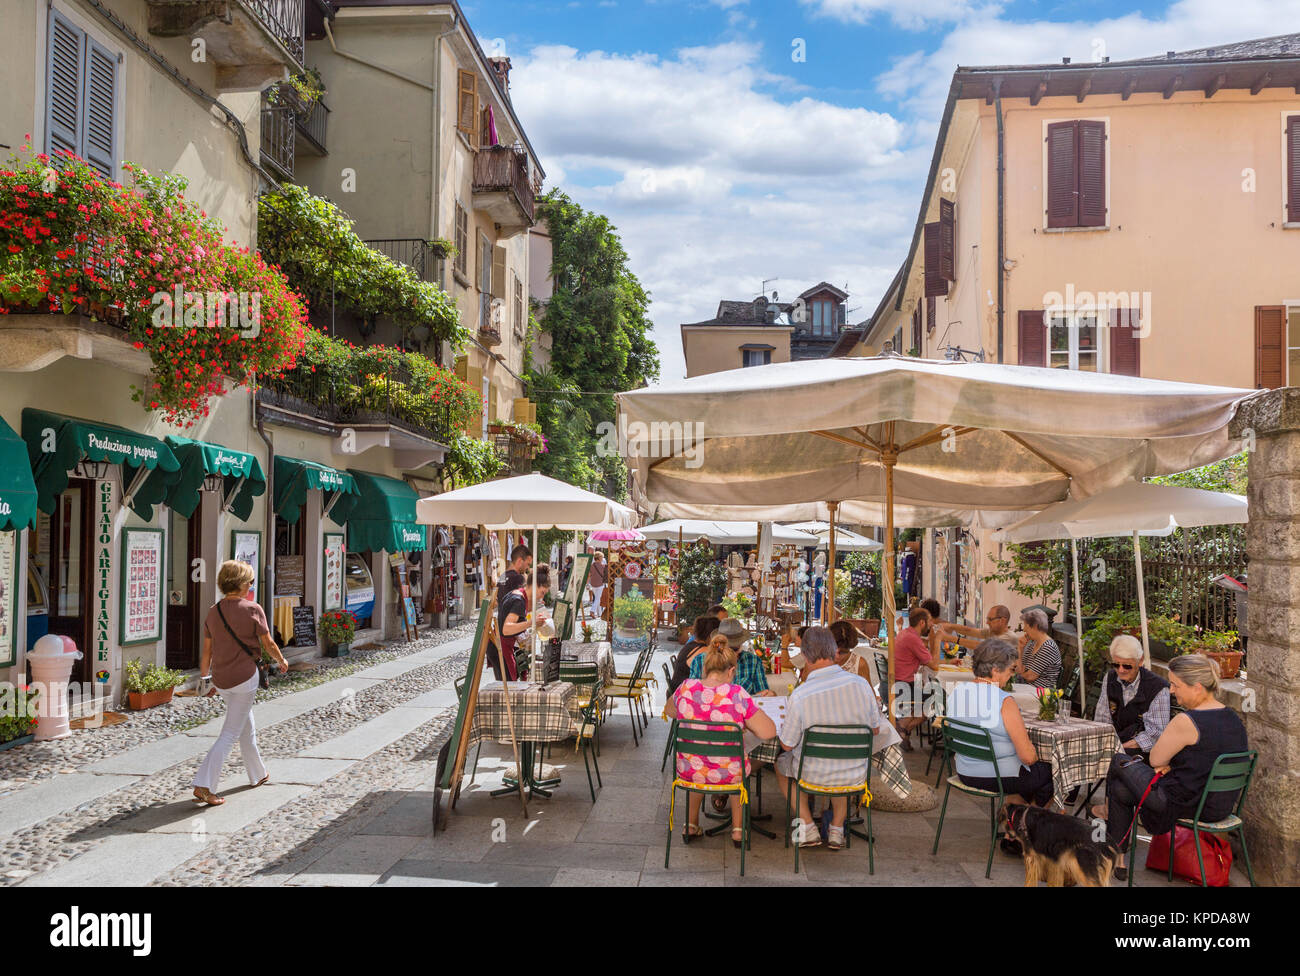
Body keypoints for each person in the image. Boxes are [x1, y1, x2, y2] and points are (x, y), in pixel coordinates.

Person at [1100, 654, 1248, 881]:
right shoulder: (1233, 718)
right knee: (1121, 789)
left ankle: (1111, 847)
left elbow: (1156, 759)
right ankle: (1116, 857)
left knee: (1117, 760)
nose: (1171, 691)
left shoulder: (1187, 721)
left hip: (1183, 803)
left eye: (1175, 685)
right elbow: (1203, 760)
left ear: (1197, 688)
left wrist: (1166, 765)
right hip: (1219, 804)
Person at [772, 627, 889, 851]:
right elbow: (875, 729)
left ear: (805, 656)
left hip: (811, 773)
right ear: (835, 651)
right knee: (841, 764)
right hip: (854, 772)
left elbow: (787, 744)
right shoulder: (862, 686)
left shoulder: (801, 694)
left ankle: (807, 825)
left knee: (781, 765)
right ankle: (836, 828)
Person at [192, 560, 289, 806]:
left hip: (222, 679)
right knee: (230, 733)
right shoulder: (252, 609)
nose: (251, 585)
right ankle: (204, 784)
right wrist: (281, 659)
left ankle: (257, 773)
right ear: (241, 583)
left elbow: (207, 651)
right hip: (245, 678)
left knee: (245, 725)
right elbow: (268, 643)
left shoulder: (214, 611)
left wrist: (205, 679)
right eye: (250, 581)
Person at [666, 636, 777, 847]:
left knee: (702, 758)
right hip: (729, 773)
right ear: (731, 671)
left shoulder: (686, 688)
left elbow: (669, 711)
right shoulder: (737, 694)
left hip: (688, 770)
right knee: (737, 760)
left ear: (705, 668)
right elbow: (768, 731)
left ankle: (690, 824)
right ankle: (737, 830)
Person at [947, 638, 1055, 853]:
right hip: (995, 776)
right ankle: (1020, 830)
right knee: (1055, 773)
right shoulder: (1004, 701)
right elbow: (1027, 757)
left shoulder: (956, 692)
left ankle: (1012, 821)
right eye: (1010, 669)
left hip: (965, 770)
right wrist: (1035, 751)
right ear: (995, 670)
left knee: (1029, 778)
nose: (1012, 674)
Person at [1093, 634, 1171, 760]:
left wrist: (1120, 748)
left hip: (1141, 752)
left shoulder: (1158, 687)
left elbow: (1155, 733)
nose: (1121, 670)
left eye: (1127, 666)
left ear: (1140, 661)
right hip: (1116, 743)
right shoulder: (1111, 677)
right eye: (1116, 665)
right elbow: (1102, 719)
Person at [688, 618, 774, 696]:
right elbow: (693, 694)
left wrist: (766, 695)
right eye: (728, 648)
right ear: (719, 644)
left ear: (741, 644)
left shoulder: (753, 661)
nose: (731, 654)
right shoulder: (700, 660)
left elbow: (763, 695)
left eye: (734, 649)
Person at [495, 566, 549, 681]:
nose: (542, 597)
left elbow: (518, 614)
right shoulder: (518, 600)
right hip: (503, 649)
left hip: (505, 646)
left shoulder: (519, 594)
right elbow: (507, 628)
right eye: (542, 592)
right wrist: (531, 623)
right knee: (510, 689)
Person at [892, 606, 934, 747]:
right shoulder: (913, 639)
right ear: (922, 623)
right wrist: (938, 638)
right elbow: (934, 665)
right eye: (929, 621)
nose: (931, 624)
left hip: (899, 682)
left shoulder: (905, 633)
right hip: (904, 686)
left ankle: (904, 731)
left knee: (929, 694)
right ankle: (902, 726)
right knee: (936, 702)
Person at [667, 615, 720, 694]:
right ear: (711, 636)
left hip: (678, 690)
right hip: (682, 694)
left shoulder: (691, 644)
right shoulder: (703, 651)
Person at [1015, 608, 1062, 689]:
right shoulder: (1032, 643)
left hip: (1040, 693)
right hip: (1026, 688)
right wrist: (1020, 649)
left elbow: (1029, 677)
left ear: (1035, 626)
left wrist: (1019, 673)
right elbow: (1020, 669)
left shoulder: (1048, 647)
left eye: (1026, 625)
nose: (1024, 629)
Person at [939, 604, 1012, 652]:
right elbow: (969, 630)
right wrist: (950, 626)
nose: (987, 622)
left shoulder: (1008, 637)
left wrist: (949, 638)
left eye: (990, 619)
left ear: (1002, 620)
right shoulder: (993, 631)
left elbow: (980, 646)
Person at [586, 550, 607, 615]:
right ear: (599, 558)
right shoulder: (603, 566)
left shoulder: (591, 565)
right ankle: (592, 611)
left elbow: (589, 575)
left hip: (593, 584)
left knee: (598, 598)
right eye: (602, 557)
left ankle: (599, 614)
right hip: (600, 583)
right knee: (598, 598)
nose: (602, 559)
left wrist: (587, 584)